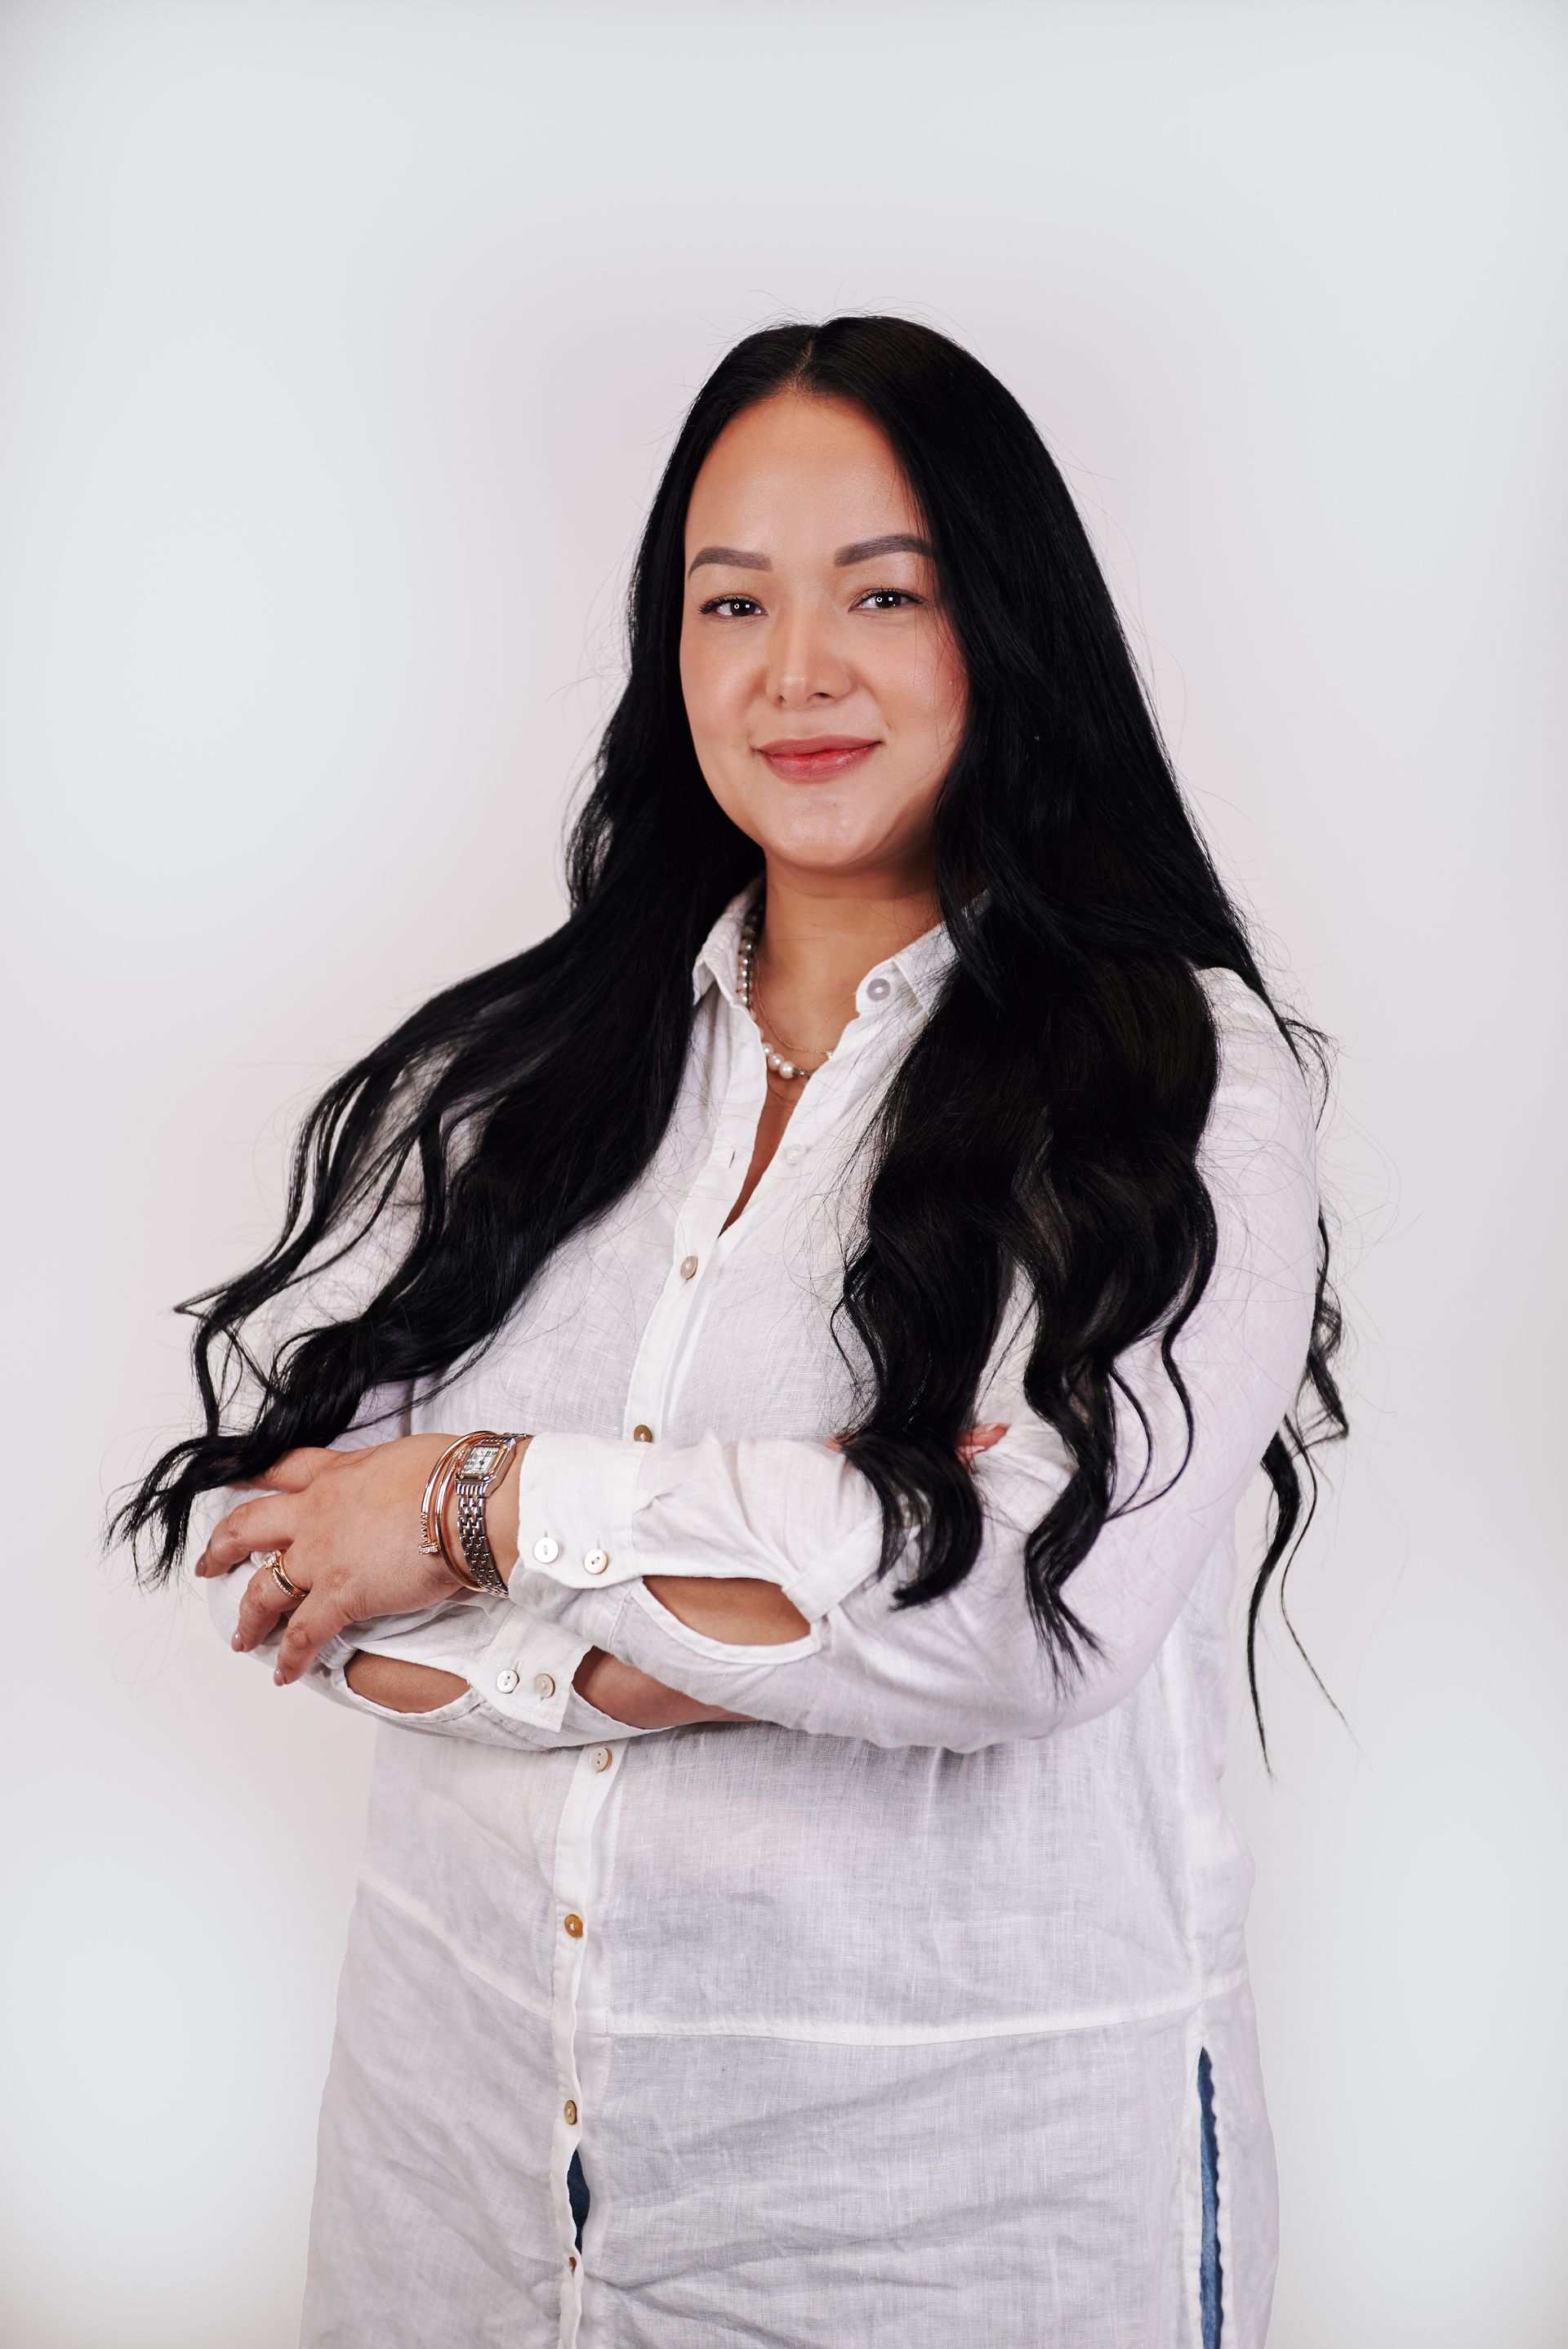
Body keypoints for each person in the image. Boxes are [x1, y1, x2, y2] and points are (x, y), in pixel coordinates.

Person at [120, 316, 1344, 2349]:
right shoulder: (515, 1078)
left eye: (885, 592)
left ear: (1008, 628)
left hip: (944, 2218)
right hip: (460, 2183)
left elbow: (1014, 1615)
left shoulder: (1173, 1083)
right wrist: (783, 1601)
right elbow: (295, 1559)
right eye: (732, 599)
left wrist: (489, 1506)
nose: (797, 670)